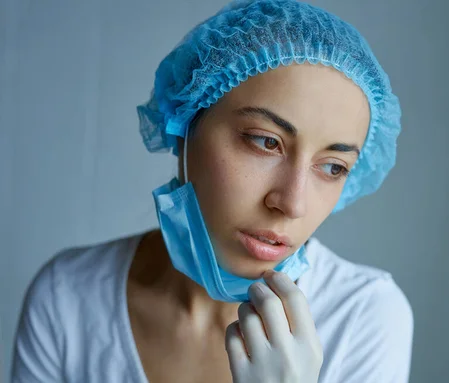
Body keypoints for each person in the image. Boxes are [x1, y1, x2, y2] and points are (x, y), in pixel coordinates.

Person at [11, 0, 413, 382]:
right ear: (185, 124)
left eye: (333, 167)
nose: (292, 203)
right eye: (265, 141)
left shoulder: (365, 318)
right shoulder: (68, 297)